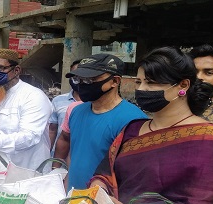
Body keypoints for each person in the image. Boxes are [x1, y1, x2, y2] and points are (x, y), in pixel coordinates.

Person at [89, 46, 213, 204]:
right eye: (139, 82)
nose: (141, 90)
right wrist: (100, 194)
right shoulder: (131, 130)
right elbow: (104, 174)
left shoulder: (210, 139)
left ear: (183, 85)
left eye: (151, 83)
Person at [53, 53, 146, 189]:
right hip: (73, 200)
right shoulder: (76, 111)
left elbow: (135, 173)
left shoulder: (133, 120)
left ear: (115, 81)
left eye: (91, 80)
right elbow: (75, 155)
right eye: (80, 80)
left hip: (106, 203)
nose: (84, 85)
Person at [49, 59, 81, 152]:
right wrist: (48, 153)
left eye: (81, 76)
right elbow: (52, 130)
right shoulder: (58, 101)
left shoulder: (95, 104)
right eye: (74, 76)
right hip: (59, 155)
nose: (78, 80)